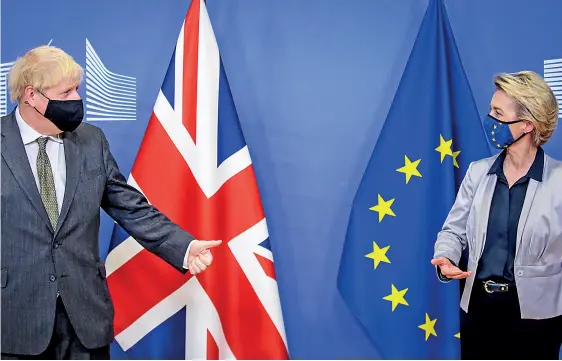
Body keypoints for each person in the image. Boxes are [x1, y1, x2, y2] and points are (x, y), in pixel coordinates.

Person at [1, 45, 222, 359]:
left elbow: (130, 206)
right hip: (13, 321)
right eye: (65, 93)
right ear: (31, 95)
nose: (76, 100)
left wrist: (183, 246)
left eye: (77, 89)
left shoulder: (92, 141)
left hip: (85, 322)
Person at [432, 71, 562, 359]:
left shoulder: (559, 181)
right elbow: (452, 232)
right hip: (478, 312)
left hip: (538, 320)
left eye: (498, 112)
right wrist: (447, 257)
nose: (489, 119)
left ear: (528, 124)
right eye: (491, 109)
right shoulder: (478, 172)